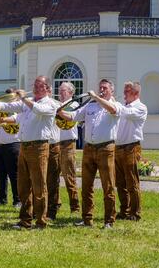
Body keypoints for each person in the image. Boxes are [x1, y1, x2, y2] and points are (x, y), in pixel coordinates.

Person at [0, 76, 56, 229]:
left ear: (48, 88)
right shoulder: (27, 103)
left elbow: (37, 109)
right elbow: (9, 108)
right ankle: (25, 219)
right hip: (25, 146)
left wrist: (24, 98)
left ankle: (41, 221)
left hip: (39, 147)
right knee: (23, 185)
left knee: (39, 186)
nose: (35, 87)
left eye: (39, 85)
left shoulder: (50, 104)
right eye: (35, 84)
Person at [58, 79, 122, 228]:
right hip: (89, 148)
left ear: (111, 90)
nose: (102, 90)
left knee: (108, 186)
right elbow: (74, 116)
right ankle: (87, 219)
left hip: (106, 148)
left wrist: (96, 97)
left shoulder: (114, 105)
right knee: (86, 185)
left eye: (105, 88)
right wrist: (60, 112)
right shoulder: (90, 105)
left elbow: (112, 110)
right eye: (100, 87)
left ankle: (109, 220)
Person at [115, 81, 147, 221]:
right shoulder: (124, 107)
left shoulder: (140, 107)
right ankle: (124, 210)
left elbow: (126, 112)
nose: (124, 94)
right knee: (120, 182)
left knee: (132, 181)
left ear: (136, 93)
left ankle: (135, 212)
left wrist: (113, 105)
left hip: (131, 147)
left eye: (127, 91)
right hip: (119, 147)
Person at [58, 82, 80, 213]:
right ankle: (55, 203)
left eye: (63, 91)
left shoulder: (74, 104)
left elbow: (67, 114)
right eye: (60, 90)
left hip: (67, 143)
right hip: (56, 143)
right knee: (53, 175)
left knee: (69, 176)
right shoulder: (58, 104)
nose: (60, 93)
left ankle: (75, 206)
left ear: (71, 93)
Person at [0, 112, 21, 207]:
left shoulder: (15, 109)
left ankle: (17, 200)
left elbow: (15, 120)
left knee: (14, 174)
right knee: (0, 174)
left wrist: (1, 120)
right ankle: (2, 198)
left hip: (12, 144)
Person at [47, 91, 61, 220]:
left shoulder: (57, 105)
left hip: (52, 145)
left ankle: (52, 210)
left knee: (52, 180)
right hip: (38, 145)